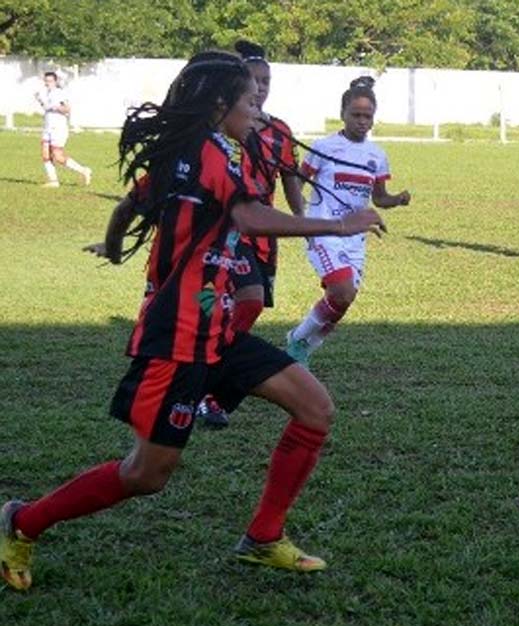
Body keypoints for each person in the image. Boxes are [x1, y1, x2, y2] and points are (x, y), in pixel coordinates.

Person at [0, 51, 386, 592]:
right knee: (146, 474)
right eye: (250, 101)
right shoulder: (209, 152)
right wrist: (338, 222)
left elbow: (127, 208)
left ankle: (263, 536)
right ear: (221, 103)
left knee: (315, 410)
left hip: (220, 330)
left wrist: (114, 250)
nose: (257, 110)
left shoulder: (186, 154)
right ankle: (22, 520)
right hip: (178, 338)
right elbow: (249, 216)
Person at [196, 40, 306, 428]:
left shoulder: (280, 132)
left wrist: (308, 225)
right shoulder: (223, 129)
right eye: (254, 81)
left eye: (267, 80)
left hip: (265, 235)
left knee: (240, 313)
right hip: (228, 232)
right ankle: (203, 384)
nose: (261, 88)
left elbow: (293, 189)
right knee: (248, 300)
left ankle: (211, 388)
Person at [286, 76, 410, 364]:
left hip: (356, 237)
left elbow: (379, 197)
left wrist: (397, 200)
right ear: (342, 114)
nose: (362, 121)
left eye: (368, 116)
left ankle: (300, 345)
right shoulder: (323, 147)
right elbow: (296, 185)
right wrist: (301, 219)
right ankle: (296, 346)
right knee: (341, 290)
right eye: (356, 115)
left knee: (343, 299)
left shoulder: (377, 155)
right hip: (324, 231)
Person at [34, 71, 92, 188]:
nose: (48, 83)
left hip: (58, 128)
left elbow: (67, 109)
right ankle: (53, 181)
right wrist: (40, 100)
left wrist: (55, 107)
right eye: (46, 81)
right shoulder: (46, 93)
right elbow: (46, 106)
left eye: (50, 81)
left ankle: (84, 170)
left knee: (58, 157)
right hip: (48, 127)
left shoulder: (59, 93)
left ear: (55, 81)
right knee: (45, 155)